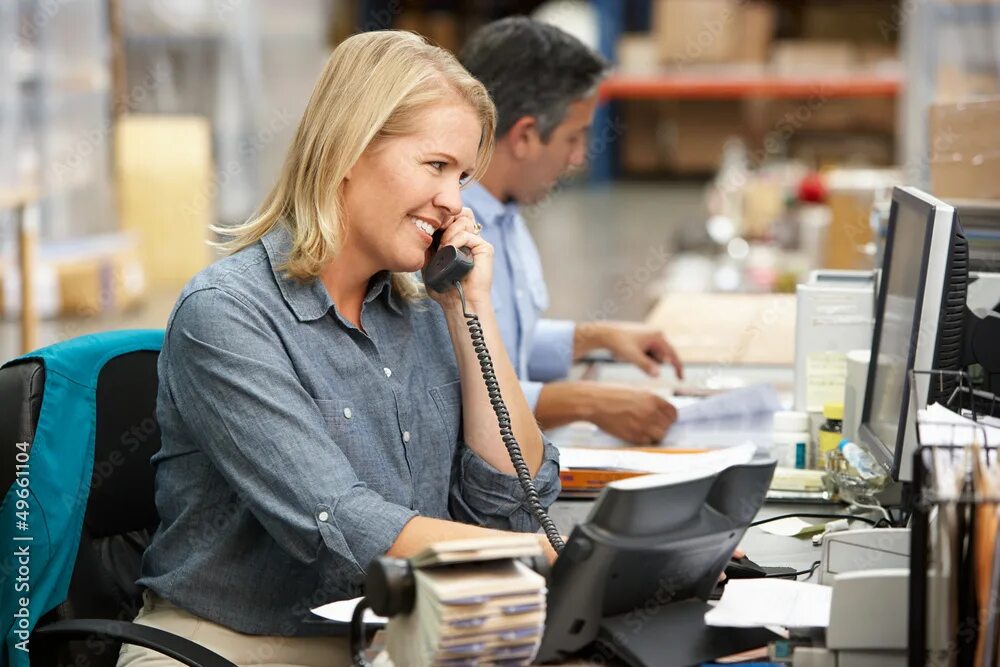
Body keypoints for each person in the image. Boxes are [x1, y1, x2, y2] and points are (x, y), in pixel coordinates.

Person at [118, 30, 560, 667]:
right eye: (435, 166)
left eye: (462, 176)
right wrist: (547, 556)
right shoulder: (227, 313)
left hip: (394, 633)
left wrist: (472, 313)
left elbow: (511, 505)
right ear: (349, 149)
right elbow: (337, 521)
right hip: (231, 644)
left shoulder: (424, 310)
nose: (453, 202)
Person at [458, 18, 686, 445]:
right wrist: (586, 403)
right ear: (525, 135)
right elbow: (454, 394)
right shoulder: (447, 240)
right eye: (573, 137)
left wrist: (594, 338)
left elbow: (500, 346)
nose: (579, 158)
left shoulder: (506, 218)